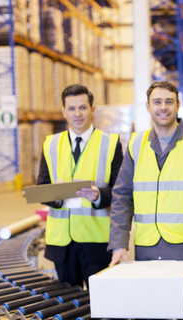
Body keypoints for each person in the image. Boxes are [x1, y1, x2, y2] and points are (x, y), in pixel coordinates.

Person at [107, 81, 183, 305]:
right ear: (148, 107)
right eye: (157, 102)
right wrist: (119, 244)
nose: (163, 107)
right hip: (146, 249)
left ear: (178, 106)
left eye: (169, 102)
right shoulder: (136, 144)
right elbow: (122, 197)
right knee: (153, 309)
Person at [37, 84, 123, 288]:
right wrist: (55, 193)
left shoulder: (111, 143)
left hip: (97, 240)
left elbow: (121, 192)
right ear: (63, 112)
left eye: (83, 107)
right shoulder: (50, 144)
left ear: (92, 110)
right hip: (62, 244)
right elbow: (41, 188)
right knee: (69, 307)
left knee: (102, 308)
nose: (78, 113)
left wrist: (99, 196)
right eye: (72, 108)